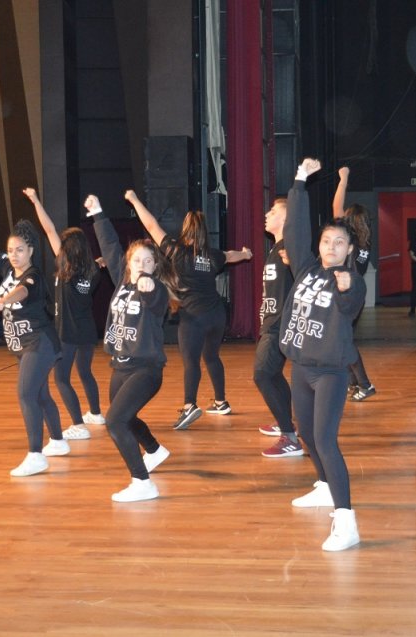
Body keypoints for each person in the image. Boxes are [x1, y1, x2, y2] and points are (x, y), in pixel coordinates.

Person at [281, 158, 366, 551]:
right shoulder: (306, 269)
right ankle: (323, 486)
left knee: (325, 440)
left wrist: (349, 286)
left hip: (331, 372)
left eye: (340, 243)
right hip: (300, 367)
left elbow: (351, 304)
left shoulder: (351, 280)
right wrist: (299, 183)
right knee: (308, 437)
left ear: (350, 249)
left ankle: (347, 521)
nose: (331, 247)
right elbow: (294, 231)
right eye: (327, 241)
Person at [125, 191, 253, 430]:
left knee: (191, 362)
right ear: (204, 230)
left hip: (194, 318)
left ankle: (189, 406)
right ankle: (220, 401)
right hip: (217, 315)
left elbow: (151, 224)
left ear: (186, 228)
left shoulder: (178, 252)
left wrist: (133, 200)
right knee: (212, 356)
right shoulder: (213, 255)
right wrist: (246, 254)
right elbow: (232, 255)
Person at [86, 194, 178, 501]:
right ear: (129, 263)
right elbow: (111, 247)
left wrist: (149, 287)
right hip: (121, 366)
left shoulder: (158, 290)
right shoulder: (122, 282)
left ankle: (142, 482)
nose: (142, 266)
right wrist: (99, 213)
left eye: (148, 262)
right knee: (125, 415)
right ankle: (154, 449)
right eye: (137, 260)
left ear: (155, 266)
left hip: (146, 369)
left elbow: (154, 301)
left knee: (115, 421)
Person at [0, 204, 67, 476]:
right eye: (11, 250)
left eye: (20, 250)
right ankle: (58, 442)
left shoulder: (33, 275)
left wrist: (3, 300)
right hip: (23, 345)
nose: (14, 255)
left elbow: (22, 293)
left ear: (31, 252)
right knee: (40, 393)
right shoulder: (6, 266)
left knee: (26, 394)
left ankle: (36, 455)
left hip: (40, 342)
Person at [23, 187, 105, 439]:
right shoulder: (93, 271)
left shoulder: (65, 267)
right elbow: (51, 231)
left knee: (61, 379)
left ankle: (78, 425)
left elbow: (48, 229)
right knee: (85, 372)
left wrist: (36, 200)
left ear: (69, 250)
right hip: (87, 331)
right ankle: (96, 413)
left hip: (67, 332)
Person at [253, 197, 303, 458]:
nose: (267, 214)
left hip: (280, 324)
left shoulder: (290, 249)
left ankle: (290, 438)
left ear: (285, 218)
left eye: (273, 211)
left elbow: (309, 273)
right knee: (273, 375)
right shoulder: (276, 248)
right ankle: (287, 423)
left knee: (262, 374)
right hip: (272, 322)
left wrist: (293, 262)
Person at [332, 166, 376, 402]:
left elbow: (335, 208)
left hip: (348, 291)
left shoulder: (350, 240)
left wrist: (344, 179)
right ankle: (352, 383)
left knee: (345, 340)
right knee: (342, 337)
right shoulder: (364, 242)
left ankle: (365, 384)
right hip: (357, 292)